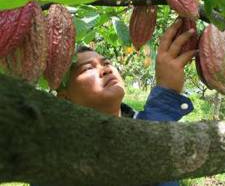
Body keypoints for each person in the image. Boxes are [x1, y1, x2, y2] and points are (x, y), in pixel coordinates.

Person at [41, 19, 197, 186]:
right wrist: (163, 104)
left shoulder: (143, 121)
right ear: (65, 98)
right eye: (87, 68)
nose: (105, 69)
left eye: (106, 63)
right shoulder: (56, 156)